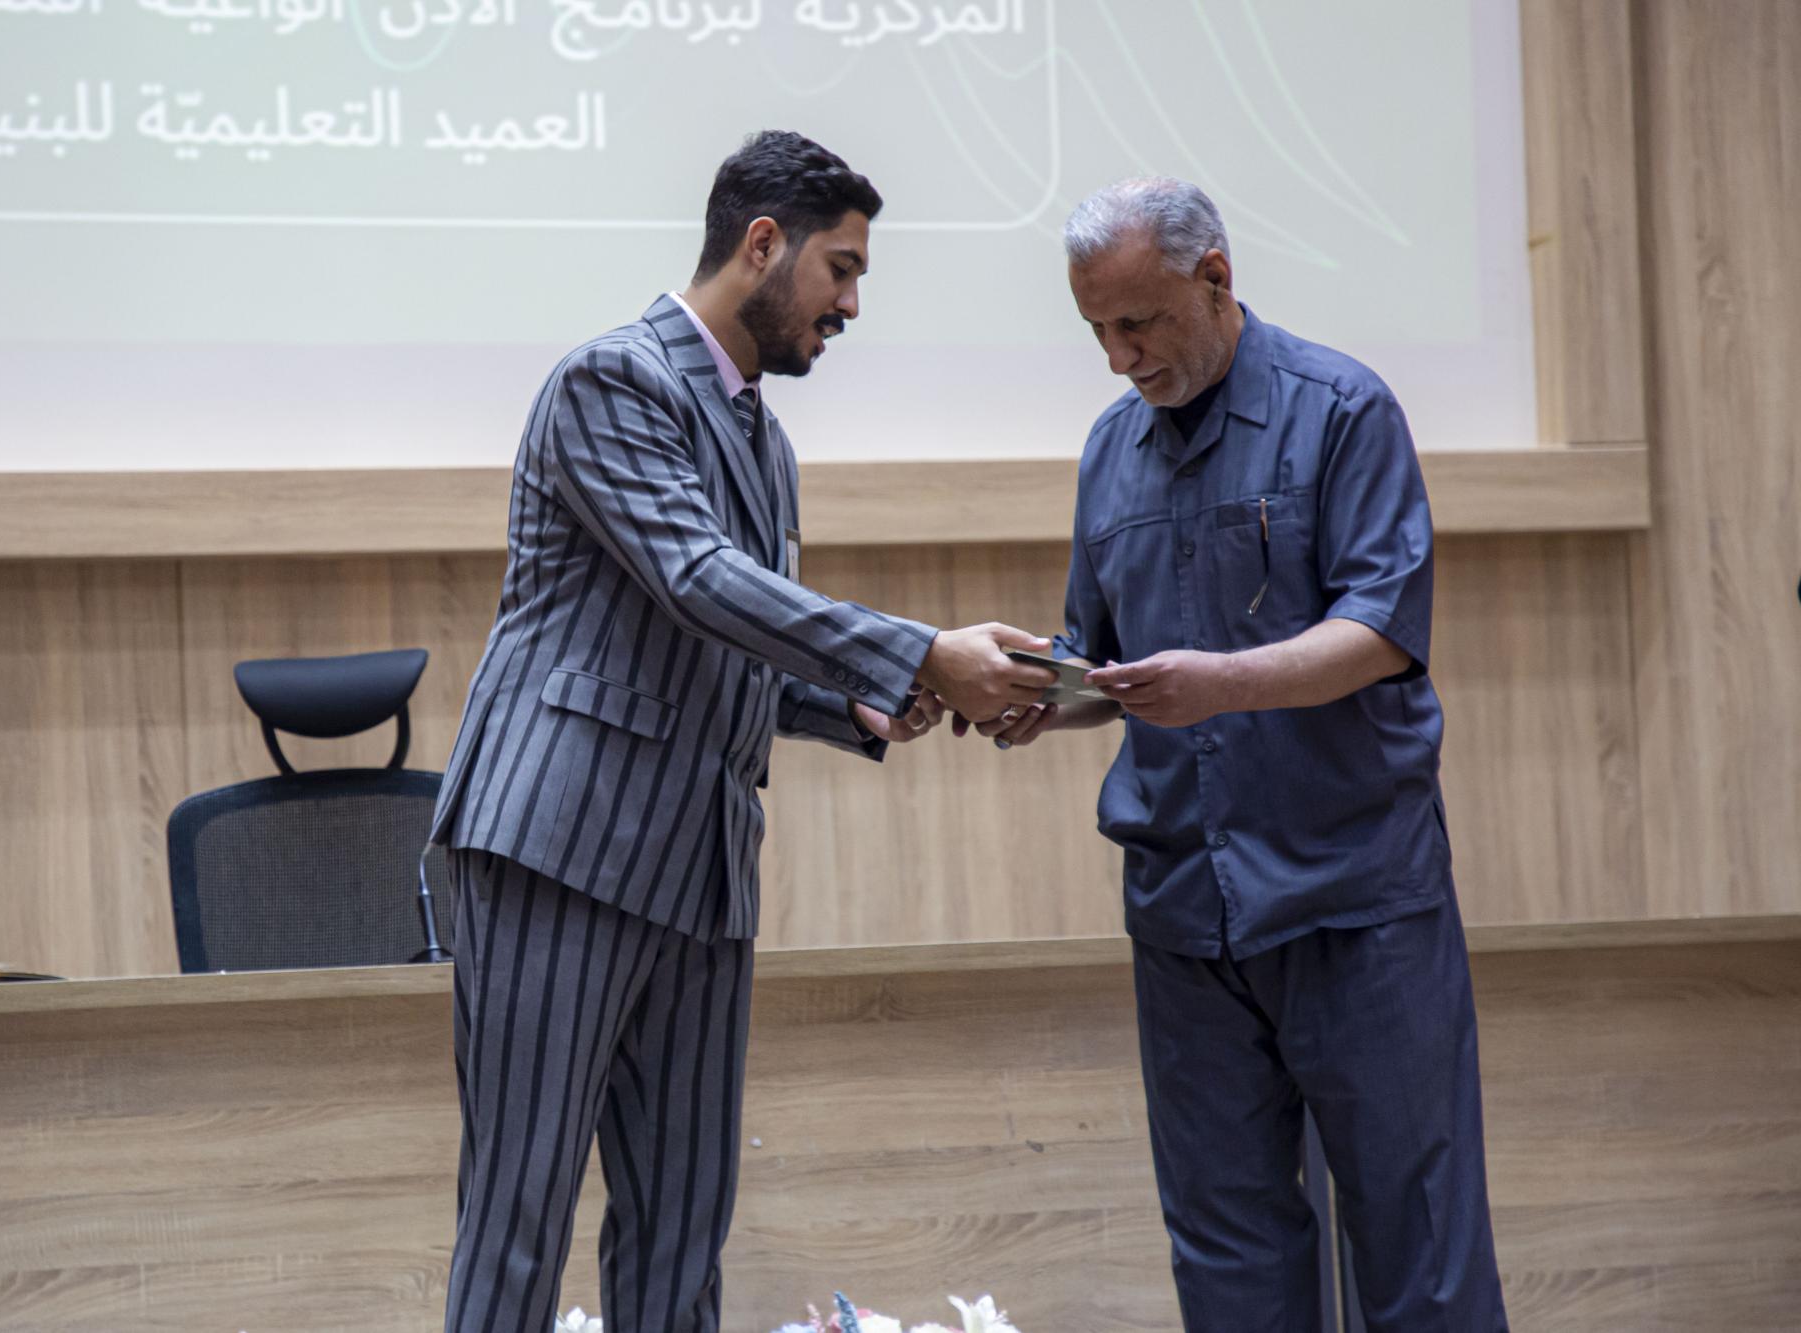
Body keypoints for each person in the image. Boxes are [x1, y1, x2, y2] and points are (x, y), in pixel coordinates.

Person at [428, 130, 1056, 1332]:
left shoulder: (763, 438)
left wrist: (860, 701)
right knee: (518, 1221)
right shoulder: (611, 380)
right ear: (761, 244)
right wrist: (918, 649)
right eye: (840, 268)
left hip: (702, 868)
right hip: (560, 848)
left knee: (681, 1236)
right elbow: (697, 581)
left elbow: (730, 648)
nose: (851, 304)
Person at [966, 177, 1507, 1331]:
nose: (1118, 358)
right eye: (1095, 330)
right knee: (1225, 1254)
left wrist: (1219, 683)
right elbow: (1105, 665)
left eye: (1138, 322)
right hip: (1182, 911)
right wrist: (1037, 694)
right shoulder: (1108, 449)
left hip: (1352, 895)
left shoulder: (1341, 409)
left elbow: (1380, 630)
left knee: (1416, 1244)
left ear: (1213, 277)